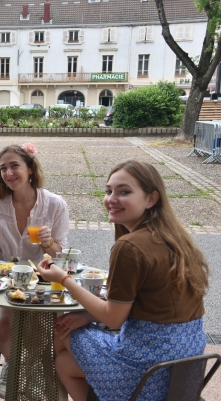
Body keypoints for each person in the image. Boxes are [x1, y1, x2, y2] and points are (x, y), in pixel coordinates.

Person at [36, 159, 209, 401]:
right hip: (186, 370)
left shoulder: (130, 246)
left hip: (149, 368)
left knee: (61, 333)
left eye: (124, 192)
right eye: (108, 191)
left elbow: (114, 318)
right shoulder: (175, 237)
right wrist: (88, 316)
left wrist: (63, 278)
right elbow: (153, 306)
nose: (111, 199)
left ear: (151, 199)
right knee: (65, 363)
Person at [0, 143, 69, 398]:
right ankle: (22, 370)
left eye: (15, 166)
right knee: (2, 324)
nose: (9, 173)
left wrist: (47, 243)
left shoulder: (55, 205)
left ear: (30, 169)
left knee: (40, 327)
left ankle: (17, 371)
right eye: (3, 168)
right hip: (3, 280)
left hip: (41, 281)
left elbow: (61, 254)